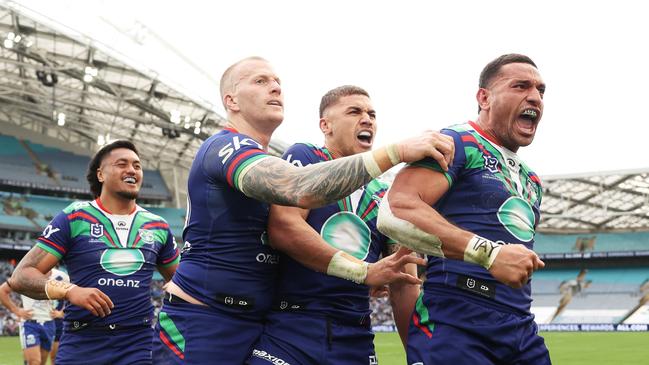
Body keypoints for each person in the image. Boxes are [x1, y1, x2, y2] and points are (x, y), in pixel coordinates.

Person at [153, 56, 454, 364]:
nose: (275, 87)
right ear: (231, 100)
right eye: (260, 81)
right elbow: (298, 190)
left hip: (261, 323)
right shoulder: (225, 146)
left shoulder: (376, 194)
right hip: (206, 318)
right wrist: (397, 152)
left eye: (278, 83)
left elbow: (403, 280)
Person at [377, 53, 550, 364]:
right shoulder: (458, 142)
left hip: (520, 328)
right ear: (484, 97)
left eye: (541, 90)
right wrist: (490, 254)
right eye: (521, 86)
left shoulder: (532, 181)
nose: (535, 97)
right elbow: (396, 209)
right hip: (456, 319)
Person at [247, 85, 422, 365]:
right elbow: (284, 228)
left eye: (372, 114)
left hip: (355, 335)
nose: (367, 119)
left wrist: (417, 356)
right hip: (292, 328)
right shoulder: (305, 158)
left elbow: (405, 283)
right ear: (325, 125)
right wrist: (365, 272)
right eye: (354, 111)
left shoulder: (387, 196)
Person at [8, 140, 180, 365]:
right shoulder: (75, 217)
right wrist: (70, 291)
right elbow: (21, 276)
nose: (131, 170)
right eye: (122, 164)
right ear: (101, 174)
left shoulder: (157, 225)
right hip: (82, 342)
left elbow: (182, 283)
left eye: (137, 166)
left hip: (138, 344)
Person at [0, 267, 68, 365]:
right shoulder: (25, 275)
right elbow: (2, 291)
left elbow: (71, 292)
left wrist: (62, 312)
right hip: (30, 323)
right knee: (34, 362)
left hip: (49, 323)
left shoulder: (60, 276)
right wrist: (16, 310)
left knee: (41, 362)